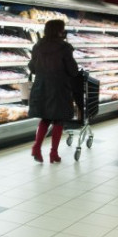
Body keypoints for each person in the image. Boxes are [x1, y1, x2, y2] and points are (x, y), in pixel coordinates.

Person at [28, 19, 79, 163]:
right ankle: (53, 154)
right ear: (59, 31)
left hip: (41, 86)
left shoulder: (38, 46)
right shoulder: (64, 47)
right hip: (59, 88)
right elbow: (73, 71)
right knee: (58, 119)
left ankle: (36, 147)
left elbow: (32, 68)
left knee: (45, 118)